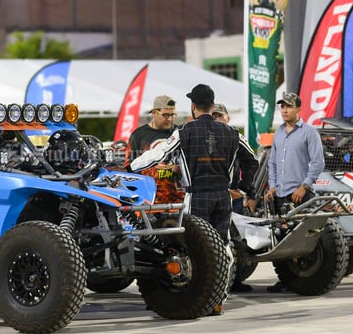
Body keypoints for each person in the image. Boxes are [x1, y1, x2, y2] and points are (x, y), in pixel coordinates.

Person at [131, 84, 258, 314]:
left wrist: (131, 166)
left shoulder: (184, 132)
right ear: (212, 105)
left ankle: (199, 298)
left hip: (196, 196)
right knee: (223, 248)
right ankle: (219, 300)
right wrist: (243, 187)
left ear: (193, 106)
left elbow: (158, 155)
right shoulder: (232, 133)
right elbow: (253, 160)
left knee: (196, 251)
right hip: (223, 196)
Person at [263, 92, 325, 292]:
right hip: (280, 194)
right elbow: (272, 162)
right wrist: (271, 185)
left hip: (300, 195)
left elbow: (318, 162)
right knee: (281, 238)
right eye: (282, 106)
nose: (284, 110)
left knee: (301, 241)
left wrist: (304, 186)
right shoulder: (279, 133)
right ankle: (286, 279)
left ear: (299, 109)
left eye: (288, 106)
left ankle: (303, 279)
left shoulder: (309, 132)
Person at [212, 102, 258, 293]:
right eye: (214, 116)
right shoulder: (207, 139)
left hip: (234, 198)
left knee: (236, 243)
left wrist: (246, 190)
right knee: (214, 241)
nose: (217, 119)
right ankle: (216, 282)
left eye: (220, 116)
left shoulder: (235, 138)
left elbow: (251, 163)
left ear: (227, 118)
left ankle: (234, 280)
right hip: (212, 197)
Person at [124, 95, 185, 205]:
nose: (170, 119)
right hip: (150, 198)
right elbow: (129, 167)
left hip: (177, 197)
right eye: (165, 115)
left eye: (172, 115)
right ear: (154, 113)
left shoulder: (178, 133)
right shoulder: (139, 135)